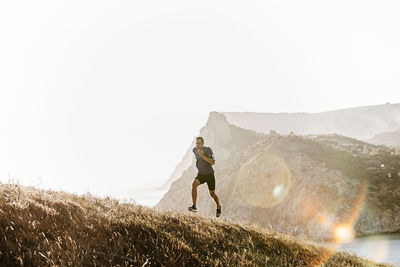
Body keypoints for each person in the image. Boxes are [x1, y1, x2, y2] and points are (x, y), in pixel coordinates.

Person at [188, 136, 221, 217]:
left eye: (199, 143)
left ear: (203, 143)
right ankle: (194, 206)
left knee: (212, 194)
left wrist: (202, 156)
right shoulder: (194, 150)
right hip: (201, 174)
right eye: (196, 143)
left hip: (209, 174)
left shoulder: (208, 150)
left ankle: (218, 207)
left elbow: (213, 162)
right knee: (194, 185)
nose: (198, 145)